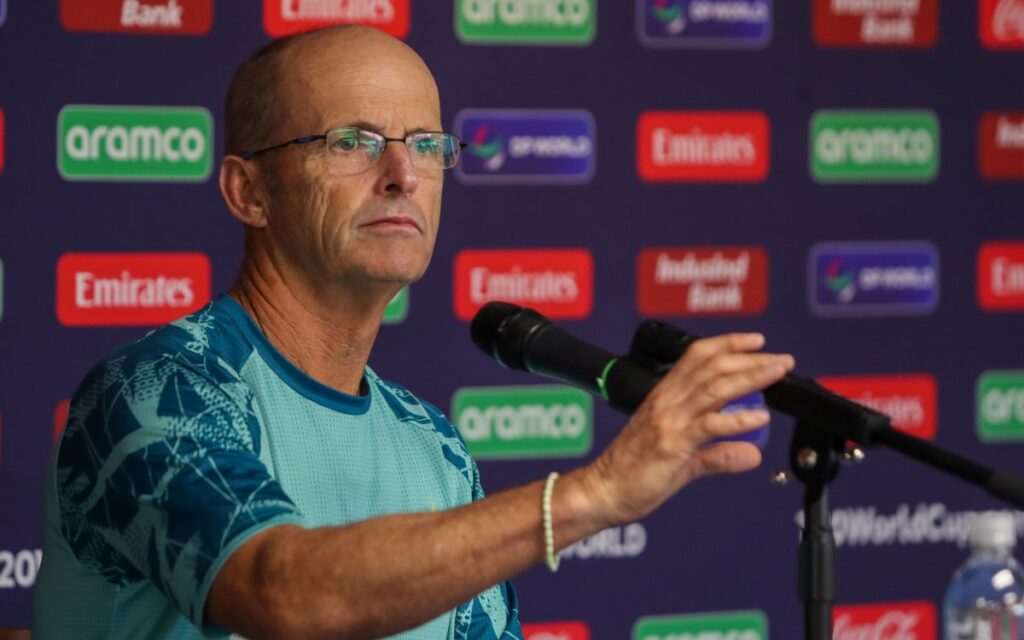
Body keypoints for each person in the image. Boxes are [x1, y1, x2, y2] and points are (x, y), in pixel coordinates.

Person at [32, 26, 795, 639]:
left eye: (427, 145)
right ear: (249, 191)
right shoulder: (156, 389)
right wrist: (594, 494)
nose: (403, 173)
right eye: (351, 141)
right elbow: (282, 595)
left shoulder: (431, 444)